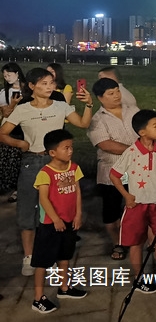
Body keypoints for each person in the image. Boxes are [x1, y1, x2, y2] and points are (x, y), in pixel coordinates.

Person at [0, 67, 93, 276]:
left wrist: (88, 104)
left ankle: (51, 252)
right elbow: (2, 133)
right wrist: (20, 144)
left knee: (57, 207)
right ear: (32, 86)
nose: (49, 87)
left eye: (51, 82)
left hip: (58, 163)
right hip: (32, 161)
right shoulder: (23, 109)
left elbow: (83, 123)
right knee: (28, 207)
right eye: (44, 83)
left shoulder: (61, 106)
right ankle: (28, 256)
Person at [110, 110, 156, 293]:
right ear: (142, 132)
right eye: (155, 126)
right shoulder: (131, 152)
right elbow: (114, 175)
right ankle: (139, 279)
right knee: (136, 242)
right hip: (138, 205)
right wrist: (126, 195)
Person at [30, 129, 87, 314]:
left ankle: (64, 287)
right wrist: (55, 219)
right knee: (43, 261)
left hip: (69, 221)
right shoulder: (45, 173)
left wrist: (78, 214)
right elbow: (44, 198)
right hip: (50, 223)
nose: (70, 151)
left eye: (71, 147)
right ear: (52, 152)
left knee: (65, 256)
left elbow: (77, 192)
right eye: (66, 148)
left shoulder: (74, 168)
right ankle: (38, 298)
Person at [86, 77, 139, 260]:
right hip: (112, 171)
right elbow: (105, 144)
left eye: (117, 91)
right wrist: (134, 150)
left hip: (137, 169)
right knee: (112, 210)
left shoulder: (133, 111)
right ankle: (118, 243)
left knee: (141, 204)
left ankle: (143, 239)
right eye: (111, 93)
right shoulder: (97, 120)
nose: (116, 95)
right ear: (100, 98)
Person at [0, 63, 26, 199]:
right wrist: (13, 104)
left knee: (23, 160)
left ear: (17, 73)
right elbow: (5, 113)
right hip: (11, 130)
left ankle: (19, 188)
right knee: (11, 161)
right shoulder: (4, 92)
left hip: (27, 129)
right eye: (5, 76)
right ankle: (11, 187)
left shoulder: (29, 90)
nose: (7, 78)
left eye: (9, 74)